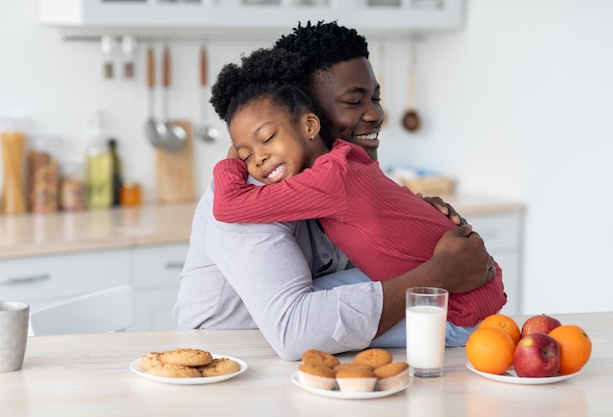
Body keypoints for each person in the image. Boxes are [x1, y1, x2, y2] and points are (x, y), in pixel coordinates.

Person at [173, 21, 496, 361]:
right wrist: (438, 274)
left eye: (375, 97)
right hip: (225, 357)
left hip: (313, 354)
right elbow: (296, 329)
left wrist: (420, 232)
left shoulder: (342, 171)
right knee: (453, 321)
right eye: (354, 101)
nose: (376, 114)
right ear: (307, 115)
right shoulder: (254, 190)